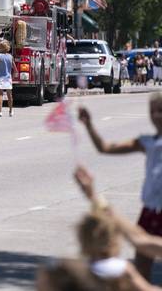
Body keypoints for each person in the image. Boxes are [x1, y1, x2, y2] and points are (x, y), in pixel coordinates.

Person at [78, 92, 162, 280]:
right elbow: (104, 148)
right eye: (153, 111)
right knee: (141, 268)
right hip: (150, 212)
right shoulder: (146, 143)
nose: (156, 115)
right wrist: (89, 125)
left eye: (161, 111)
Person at [0, 40, 15, 117]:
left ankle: (0, 112)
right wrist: (12, 75)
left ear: (1, 48)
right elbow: (14, 68)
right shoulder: (11, 57)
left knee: (0, 94)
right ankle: (10, 111)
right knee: (9, 95)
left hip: (0, 77)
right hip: (8, 77)